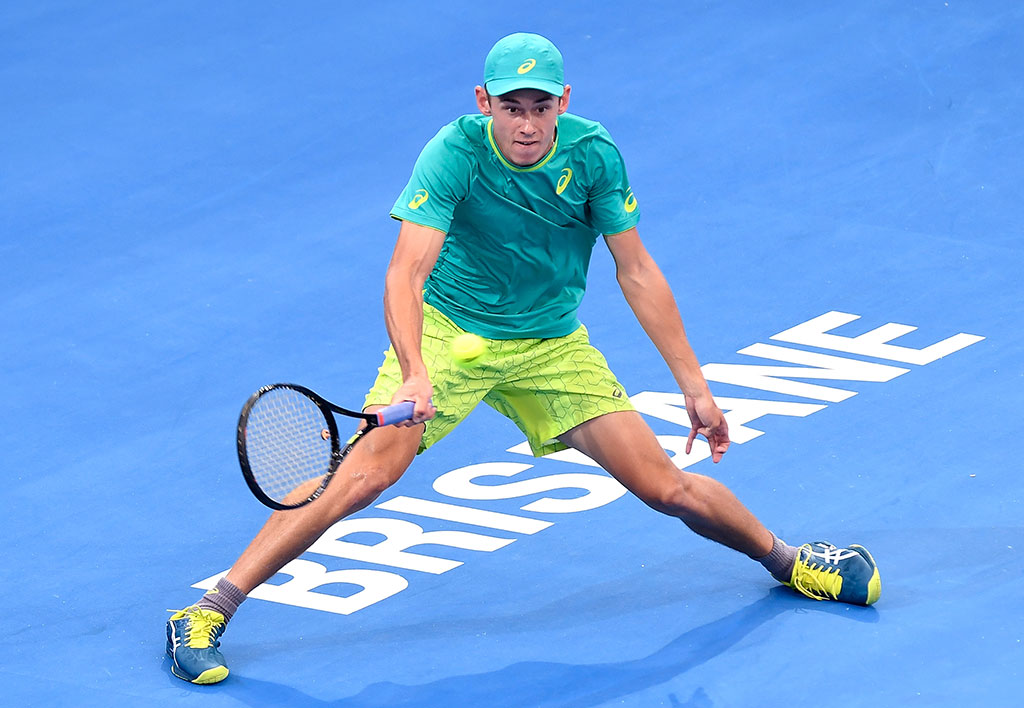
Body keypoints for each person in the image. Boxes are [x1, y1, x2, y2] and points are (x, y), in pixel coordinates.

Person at [166, 33, 881, 685]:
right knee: (360, 479)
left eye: (542, 107)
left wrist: (694, 385)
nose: (528, 124)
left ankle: (790, 563)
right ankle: (207, 611)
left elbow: (635, 270)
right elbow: (405, 274)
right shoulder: (452, 153)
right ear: (485, 104)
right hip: (451, 336)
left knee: (666, 487)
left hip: (549, 346)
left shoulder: (593, 154)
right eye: (512, 107)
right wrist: (415, 369)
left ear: (564, 103)